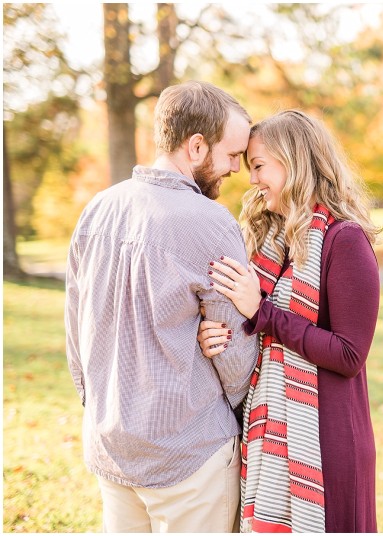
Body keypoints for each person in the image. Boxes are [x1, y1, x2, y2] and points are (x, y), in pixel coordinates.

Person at [65, 81, 259, 533]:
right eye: (231, 156)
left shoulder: (97, 209)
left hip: (111, 442)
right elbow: (234, 353)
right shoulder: (212, 223)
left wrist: (97, 405)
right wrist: (230, 407)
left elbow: (75, 332)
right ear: (196, 147)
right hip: (191, 453)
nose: (236, 168)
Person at [197, 110, 381, 533]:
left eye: (259, 165)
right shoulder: (273, 244)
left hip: (327, 444)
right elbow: (258, 335)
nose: (252, 180)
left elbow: (349, 354)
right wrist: (218, 336)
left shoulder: (344, 240)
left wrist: (261, 313)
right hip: (271, 437)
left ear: (293, 161)